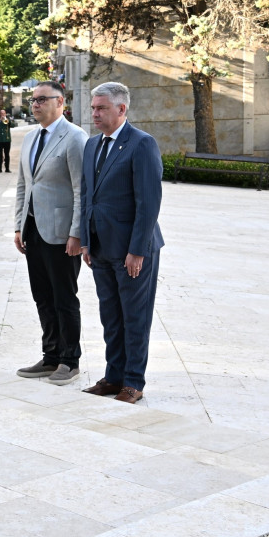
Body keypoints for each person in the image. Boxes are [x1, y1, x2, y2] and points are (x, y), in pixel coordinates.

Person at [80, 82, 164, 405]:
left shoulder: (142, 144)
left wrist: (137, 250)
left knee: (134, 317)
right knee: (111, 318)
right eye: (93, 107)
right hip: (100, 249)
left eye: (101, 108)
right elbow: (88, 196)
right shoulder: (91, 146)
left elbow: (149, 203)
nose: (95, 113)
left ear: (121, 109)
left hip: (132, 252)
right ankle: (113, 377)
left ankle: (133, 382)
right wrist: (86, 241)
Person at [14, 81, 88, 387]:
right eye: (33, 100)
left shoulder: (74, 137)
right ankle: (50, 355)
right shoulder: (31, 139)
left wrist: (77, 233)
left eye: (42, 99)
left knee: (63, 298)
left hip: (62, 234)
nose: (35, 105)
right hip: (34, 231)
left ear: (60, 103)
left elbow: (81, 190)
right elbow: (23, 185)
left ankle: (69, 361)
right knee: (42, 297)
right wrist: (19, 225)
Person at [0, 108, 13, 173]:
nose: (2, 115)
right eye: (1, 114)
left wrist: (6, 119)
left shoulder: (7, 120)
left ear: (5, 114)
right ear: (0, 114)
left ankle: (7, 168)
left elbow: (12, 125)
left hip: (7, 140)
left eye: (3, 113)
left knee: (7, 154)